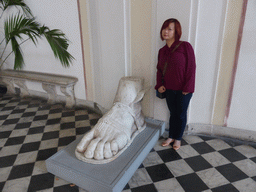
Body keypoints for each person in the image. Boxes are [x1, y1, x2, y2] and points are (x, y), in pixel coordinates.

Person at [155, 18, 196, 150]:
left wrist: (188, 87)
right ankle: (171, 136)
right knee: (173, 113)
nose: (165, 31)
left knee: (181, 113)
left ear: (176, 31)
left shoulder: (185, 46)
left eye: (169, 29)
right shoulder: (162, 51)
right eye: (164, 28)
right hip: (169, 88)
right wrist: (158, 84)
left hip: (184, 90)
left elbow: (191, 68)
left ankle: (178, 138)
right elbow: (159, 70)